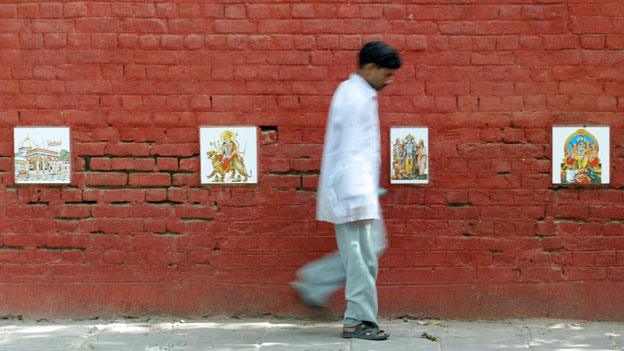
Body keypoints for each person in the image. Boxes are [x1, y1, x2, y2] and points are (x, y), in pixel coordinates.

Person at [291, 41, 401, 341]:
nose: (389, 81)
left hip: (360, 190)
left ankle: (314, 283)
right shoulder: (355, 97)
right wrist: (360, 194)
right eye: (386, 74)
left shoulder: (357, 93)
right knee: (362, 259)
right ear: (368, 68)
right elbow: (350, 152)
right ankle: (359, 321)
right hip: (354, 193)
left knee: (369, 251)